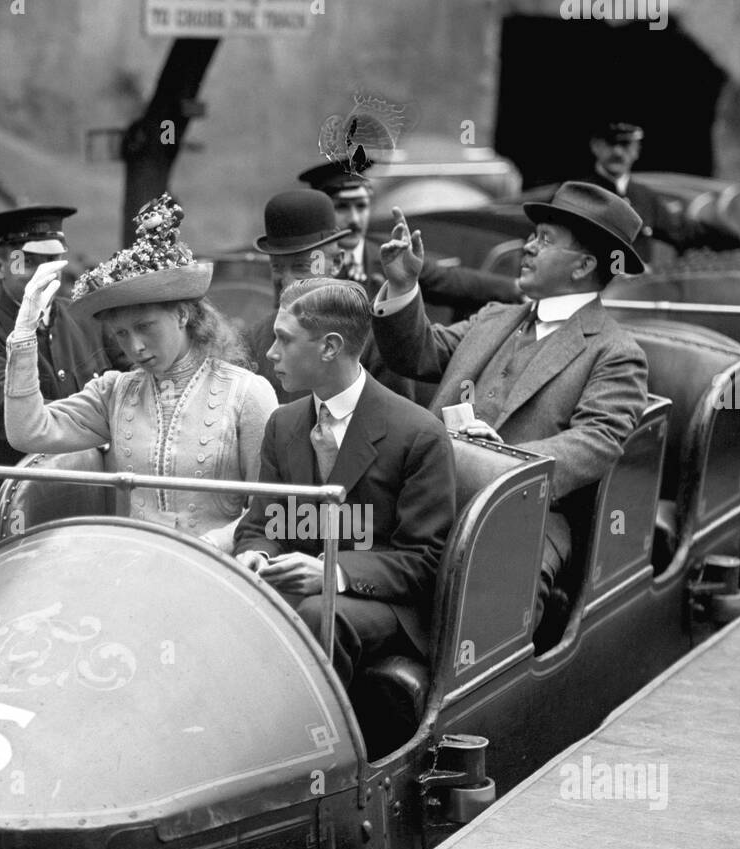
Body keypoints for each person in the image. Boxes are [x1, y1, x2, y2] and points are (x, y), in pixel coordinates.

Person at [371, 181, 649, 628]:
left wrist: (503, 464)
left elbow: (599, 440)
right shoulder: (494, 317)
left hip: (527, 518)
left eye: (545, 239)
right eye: (532, 235)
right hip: (427, 499)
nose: (528, 246)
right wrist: (404, 285)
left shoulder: (615, 351)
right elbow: (414, 353)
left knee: (496, 601)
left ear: (583, 266)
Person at [3, 195, 277, 552]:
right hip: (135, 569)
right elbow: (28, 431)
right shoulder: (115, 393)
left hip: (218, 573)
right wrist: (24, 334)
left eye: (145, 327)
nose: (135, 348)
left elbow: (268, 508)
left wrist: (211, 546)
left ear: (182, 314)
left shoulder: (247, 394)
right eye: (121, 334)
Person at [234, 278, 456, 688]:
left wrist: (332, 574)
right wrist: (257, 558)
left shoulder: (419, 434)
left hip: (383, 604)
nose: (270, 352)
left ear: (330, 347)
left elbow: (425, 560)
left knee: (320, 614)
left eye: (284, 339)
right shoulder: (283, 424)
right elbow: (260, 526)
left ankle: (312, 747)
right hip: (299, 592)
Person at [0, 205, 110, 557]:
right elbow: (11, 418)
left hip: (89, 506)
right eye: (31, 262)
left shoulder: (89, 319)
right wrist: (100, 420)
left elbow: (131, 390)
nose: (45, 273)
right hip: (10, 512)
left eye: (53, 260)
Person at [248, 189, 418, 404]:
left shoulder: (378, 339)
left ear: (337, 263)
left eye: (302, 267)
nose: (287, 280)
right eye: (277, 267)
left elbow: (398, 423)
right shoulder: (256, 339)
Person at [299, 152, 522, 312]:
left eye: (362, 206)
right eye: (342, 207)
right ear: (321, 211)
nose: (355, 219)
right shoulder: (302, 264)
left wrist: (517, 288)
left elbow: (448, 280)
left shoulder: (387, 251)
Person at [582, 121, 740, 264]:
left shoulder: (644, 197)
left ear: (636, 151)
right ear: (596, 147)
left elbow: (686, 232)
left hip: (633, 299)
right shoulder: (578, 192)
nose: (617, 152)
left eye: (624, 145)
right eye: (610, 144)